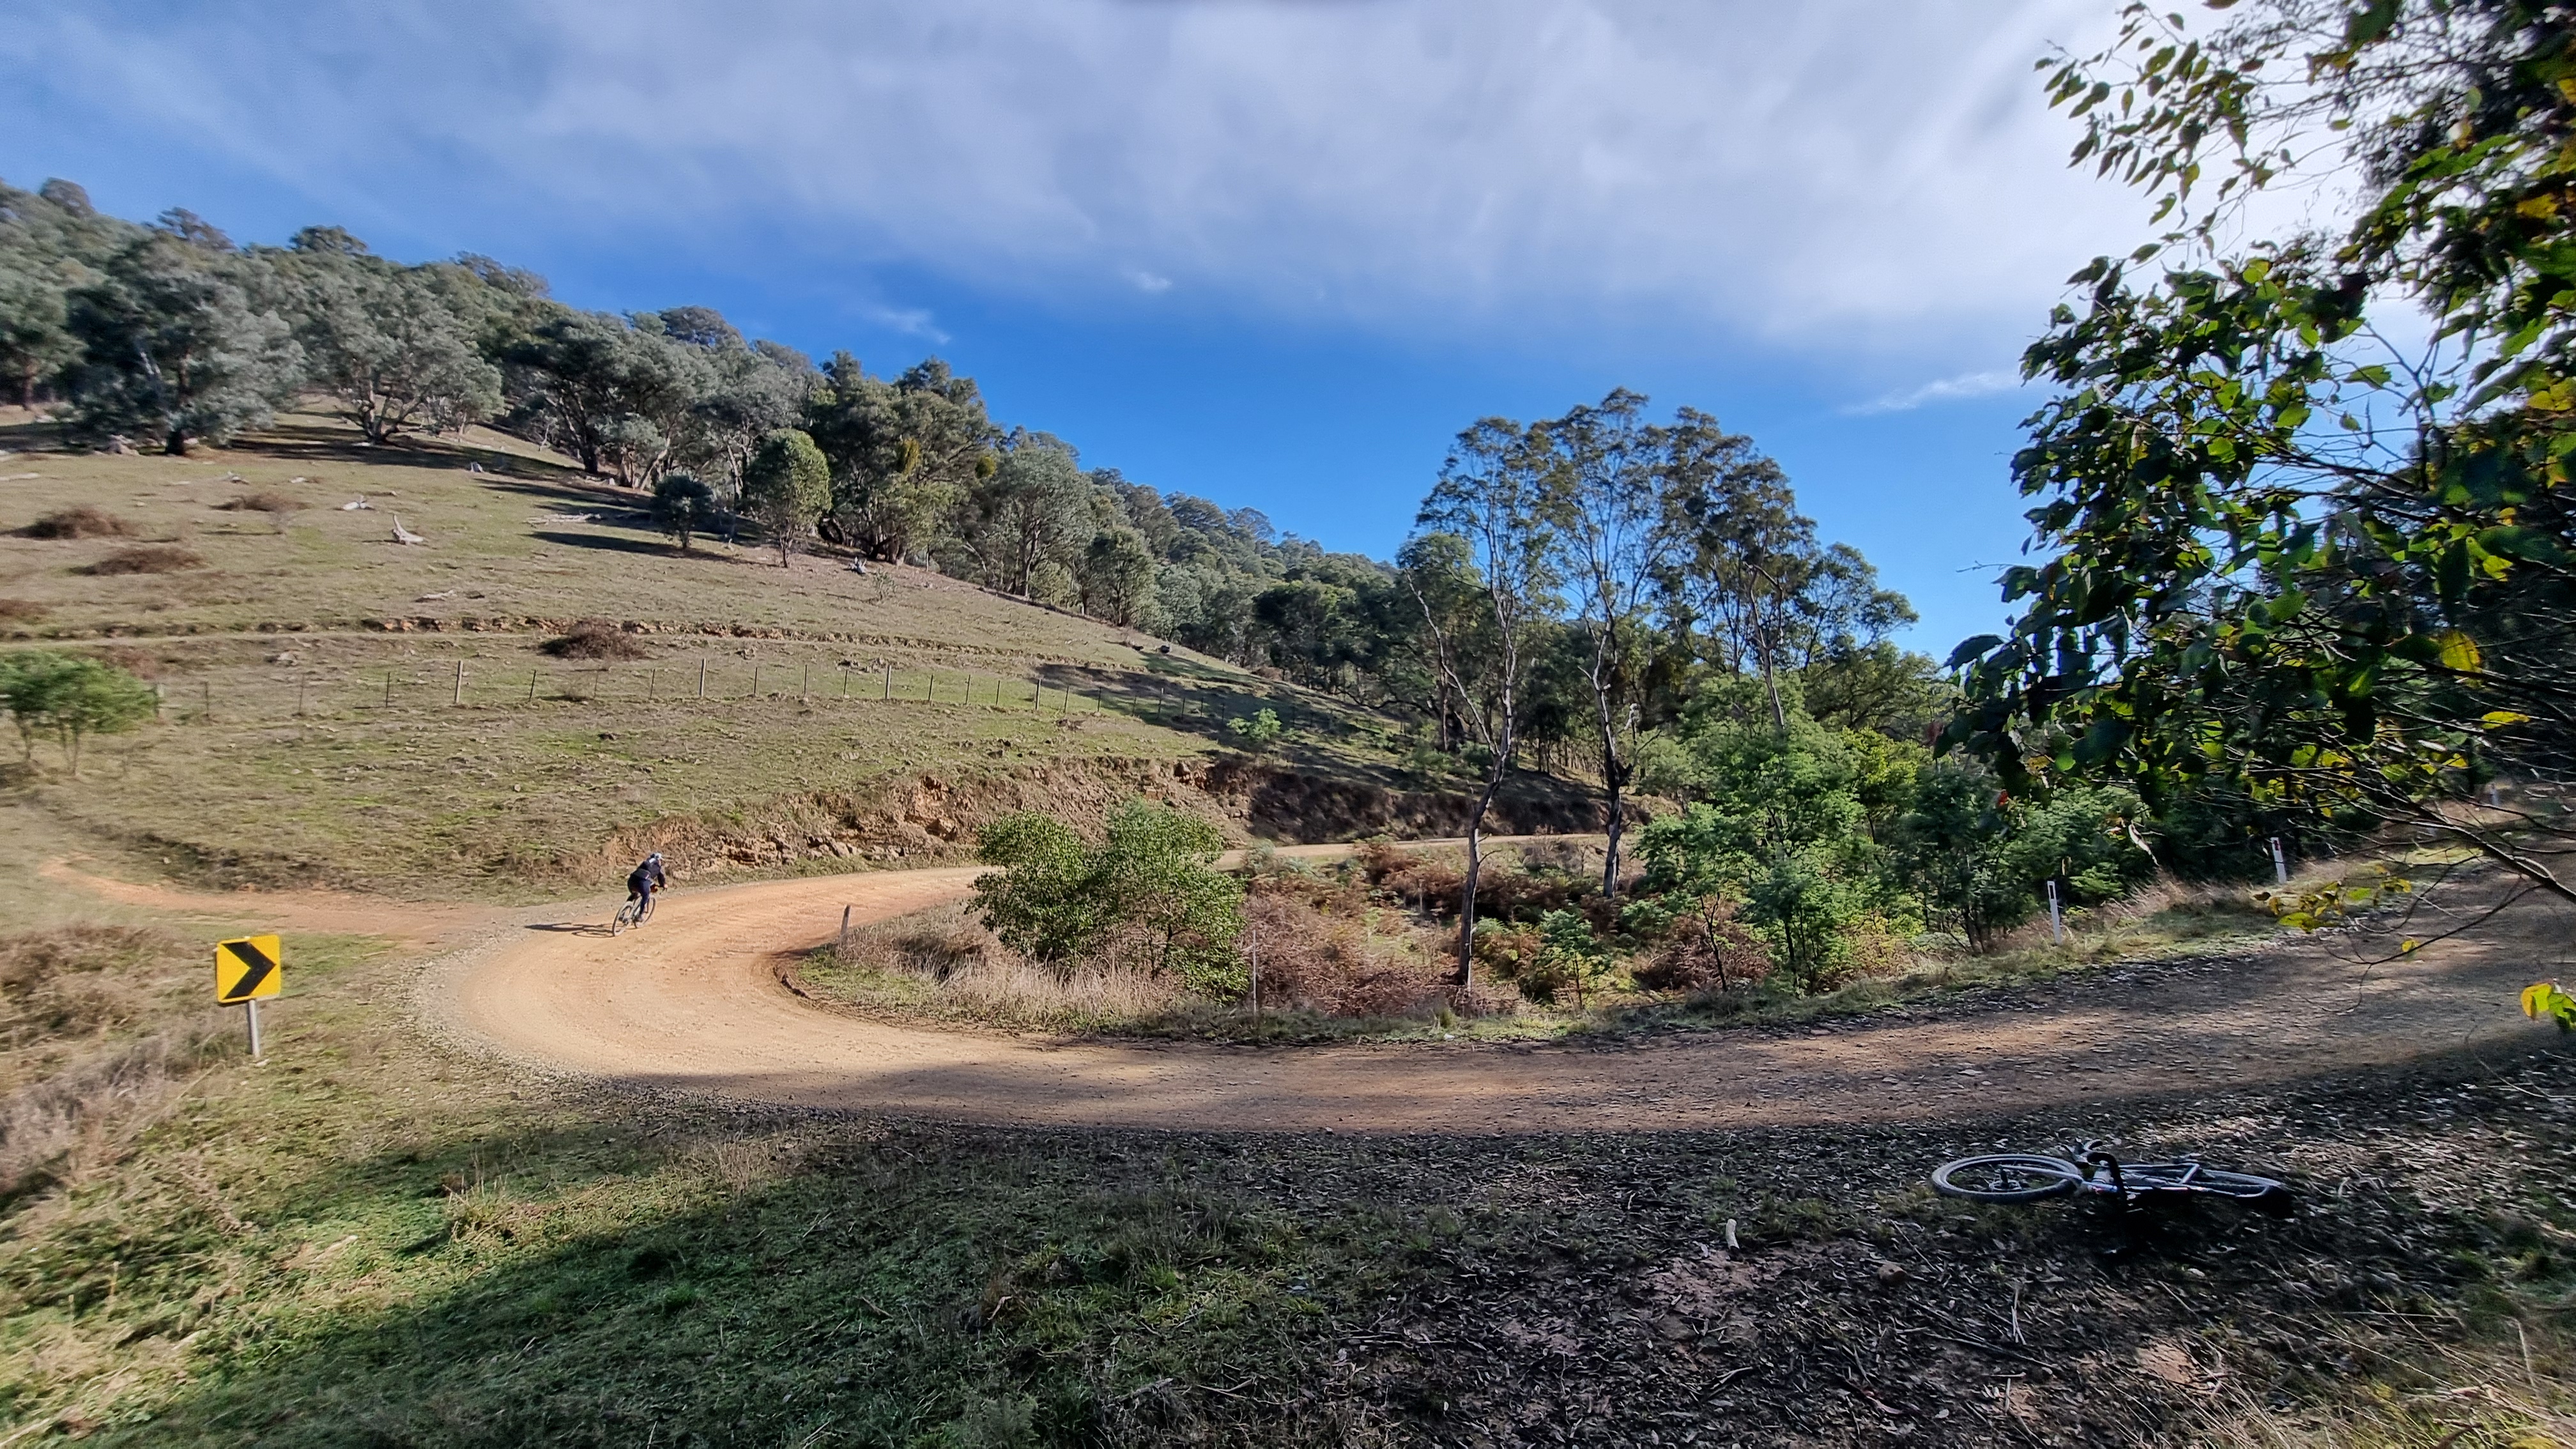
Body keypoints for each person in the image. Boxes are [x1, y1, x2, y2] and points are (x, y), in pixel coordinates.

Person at [625, 852, 669, 921]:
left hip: (632, 880)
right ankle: (640, 915)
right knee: (646, 895)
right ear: (658, 860)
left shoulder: (646, 863)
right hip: (643, 881)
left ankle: (623, 912)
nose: (661, 862)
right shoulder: (658, 866)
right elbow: (661, 878)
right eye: (661, 861)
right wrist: (664, 885)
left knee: (634, 894)